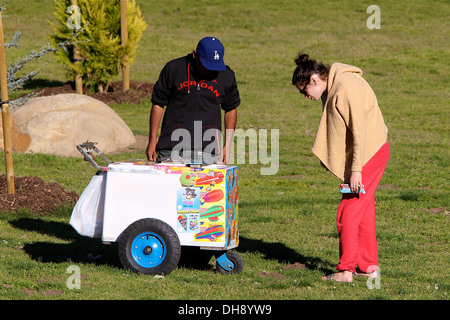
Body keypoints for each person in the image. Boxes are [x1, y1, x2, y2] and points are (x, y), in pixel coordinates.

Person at [292, 53, 390, 283]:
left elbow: (360, 130)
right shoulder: (335, 86)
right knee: (363, 211)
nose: (305, 96)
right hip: (369, 154)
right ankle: (368, 266)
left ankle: (345, 270)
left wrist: (356, 170)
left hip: (369, 156)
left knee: (347, 211)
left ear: (315, 79)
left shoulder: (345, 86)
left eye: (304, 90)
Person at [146, 37, 240, 164]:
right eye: (205, 65)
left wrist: (227, 146)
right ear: (195, 54)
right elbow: (158, 103)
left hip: (208, 151)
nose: (209, 70)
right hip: (171, 149)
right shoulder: (174, 69)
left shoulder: (226, 75)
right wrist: (152, 140)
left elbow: (231, 109)